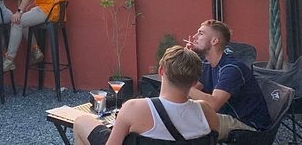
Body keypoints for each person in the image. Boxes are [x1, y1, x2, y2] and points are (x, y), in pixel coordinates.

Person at [74, 46, 219, 145]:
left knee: (81, 121)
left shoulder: (135, 107)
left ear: (161, 71)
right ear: (194, 82)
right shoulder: (207, 112)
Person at [186, 19, 271, 140]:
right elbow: (189, 94)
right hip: (226, 117)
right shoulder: (207, 64)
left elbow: (214, 104)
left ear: (214, 41)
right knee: (181, 112)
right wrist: (187, 60)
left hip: (248, 126)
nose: (194, 37)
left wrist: (181, 85)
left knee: (193, 120)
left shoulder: (231, 68)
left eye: (201, 33)